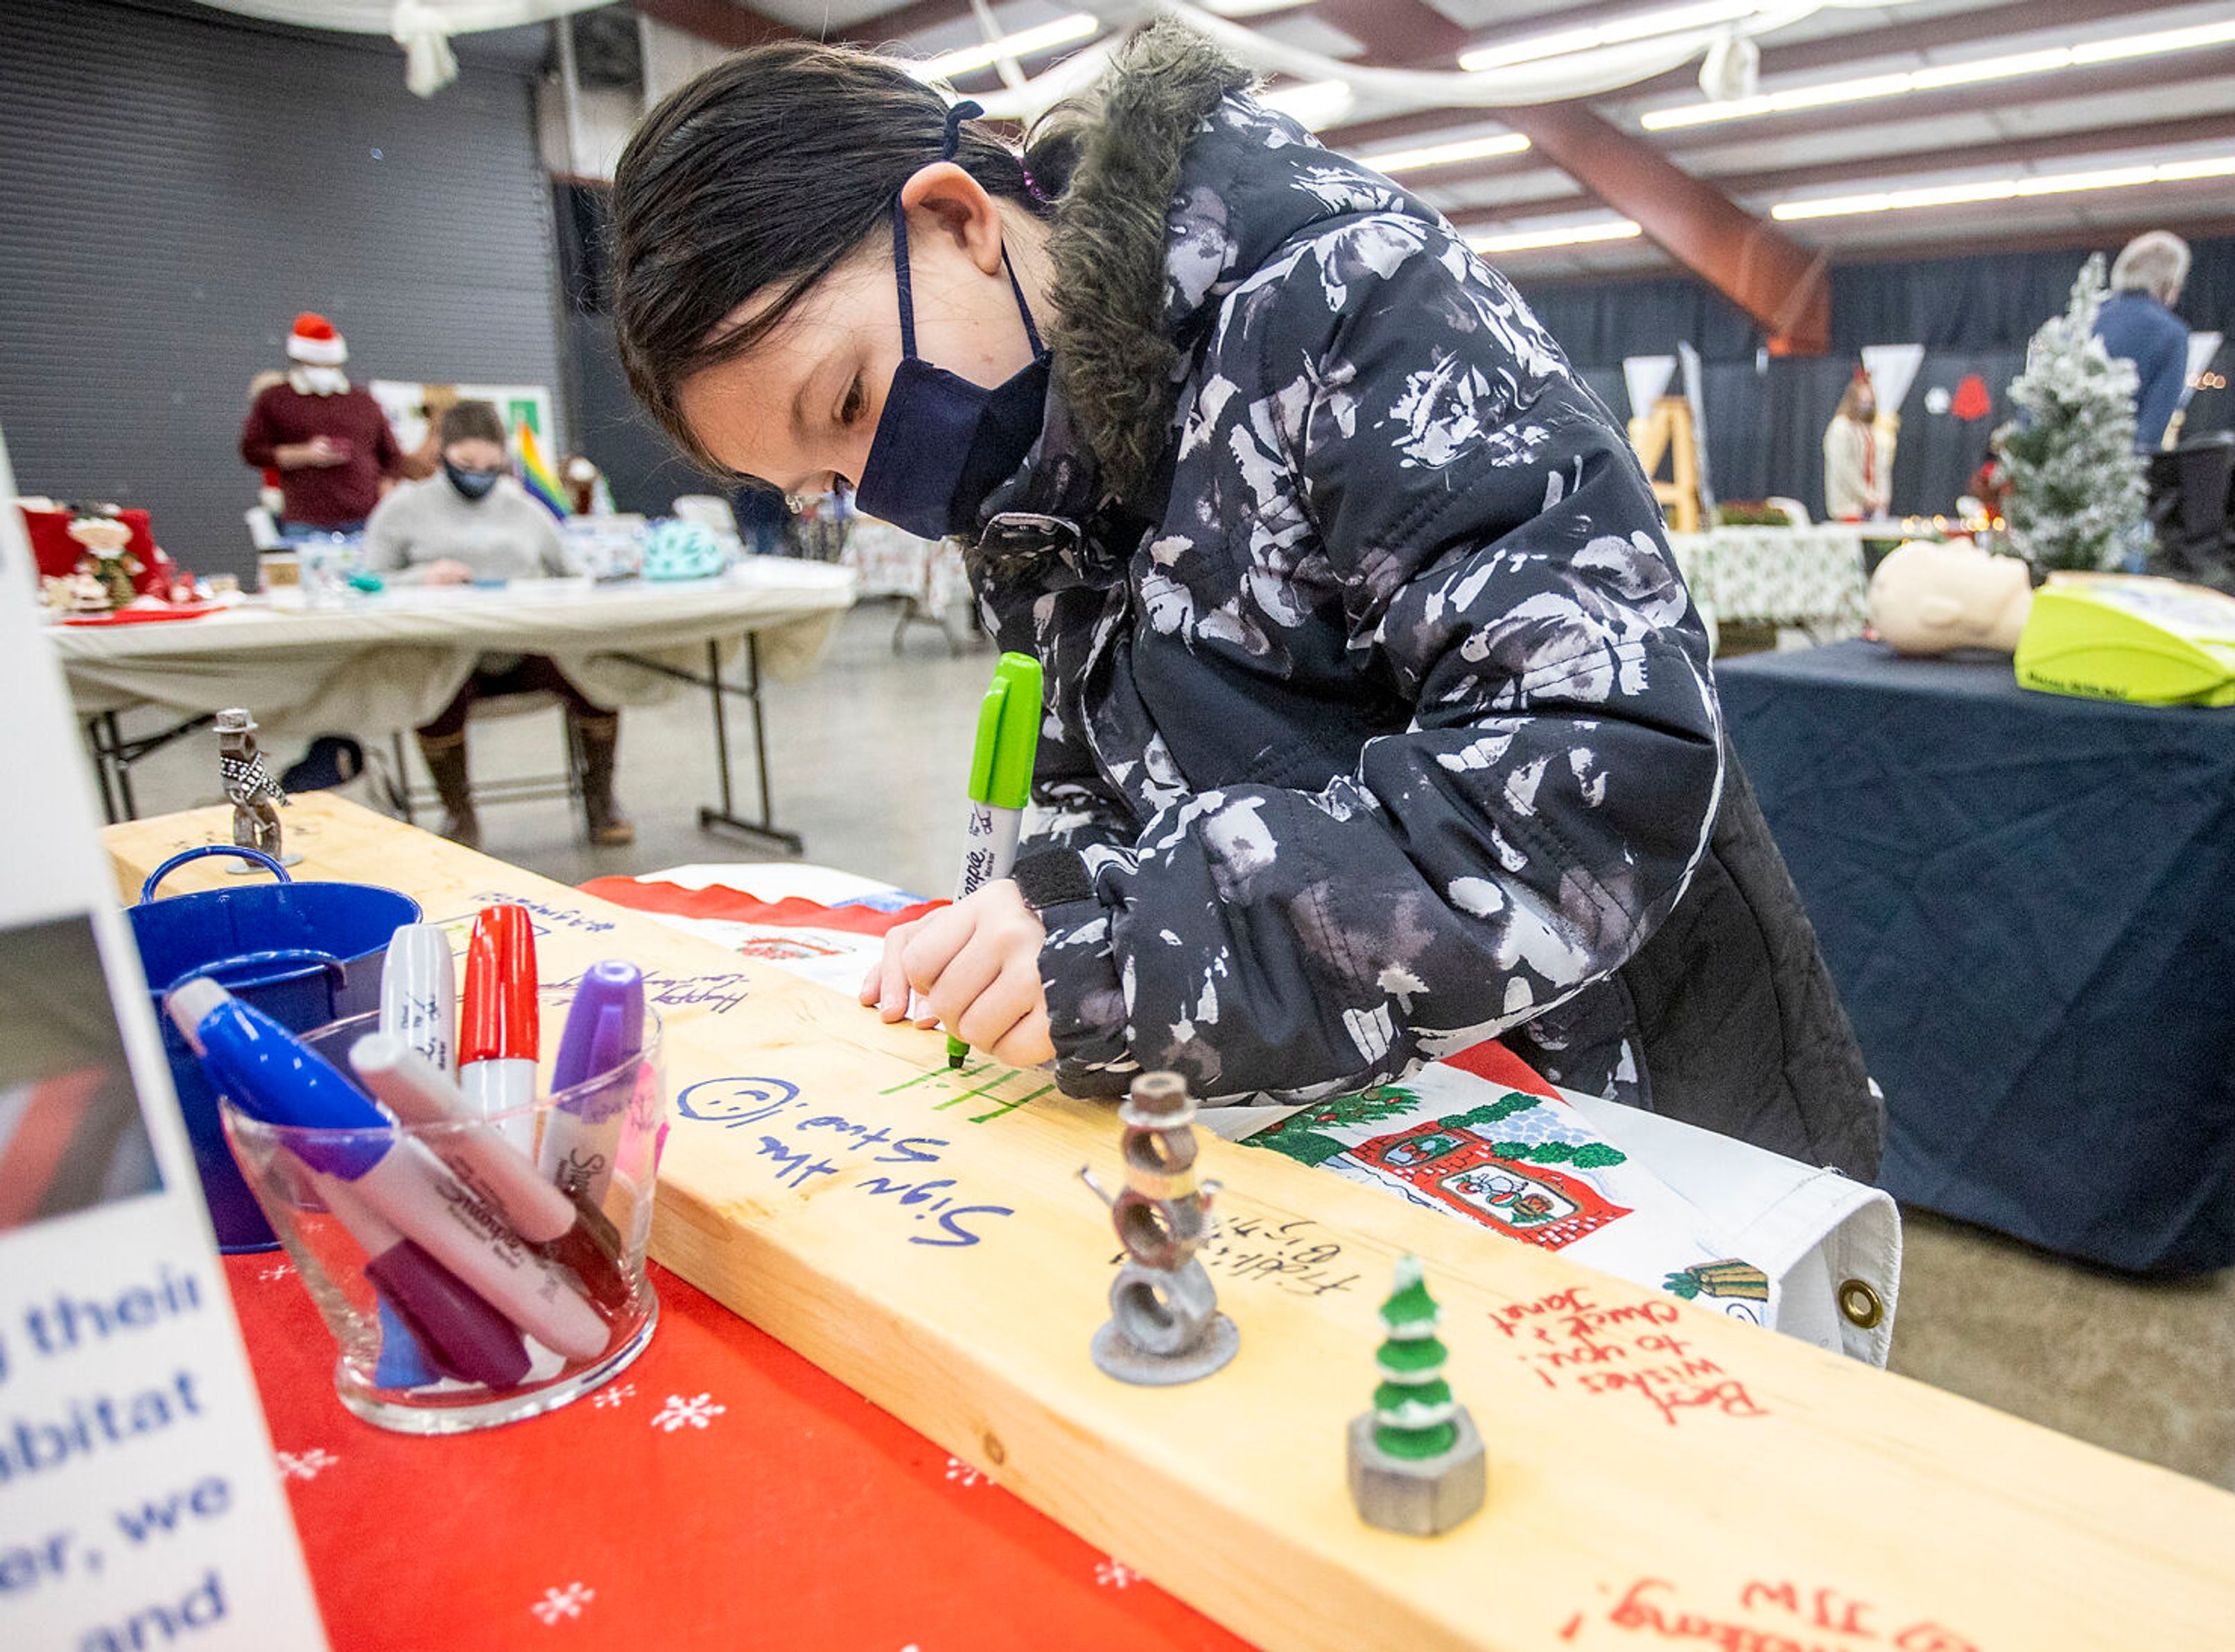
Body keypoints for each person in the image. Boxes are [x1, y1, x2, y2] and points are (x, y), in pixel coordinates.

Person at [604, 28, 1883, 1174]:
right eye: (824, 481)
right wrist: (1039, 909)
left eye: (848, 403)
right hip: (1363, 1111)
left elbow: (1591, 763)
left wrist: (1126, 958)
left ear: (955, 219)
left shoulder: (1344, 298)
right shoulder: (1026, 475)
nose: (881, 486)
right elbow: (1095, 790)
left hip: (1630, 1103)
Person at [363, 400, 636, 851]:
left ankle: (601, 800)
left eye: (492, 465)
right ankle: (458, 812)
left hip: (526, 647)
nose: (480, 474)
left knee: (598, 673)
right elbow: (365, 582)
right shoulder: (404, 509)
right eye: (467, 464)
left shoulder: (525, 508)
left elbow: (573, 572)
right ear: (442, 454)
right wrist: (420, 578)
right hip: (448, 653)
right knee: (429, 690)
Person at [237, 313, 406, 538]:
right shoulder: (276, 399)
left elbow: (392, 457)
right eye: (316, 364)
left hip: (364, 521)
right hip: (306, 522)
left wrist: (386, 496)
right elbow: (252, 450)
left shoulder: (363, 402)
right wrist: (304, 454)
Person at [2094, 231, 2192, 452]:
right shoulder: (2172, 334)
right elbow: (2150, 433)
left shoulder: (2080, 321)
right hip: (2116, 471)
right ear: (2171, 281)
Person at [1823, 373, 1888, 520]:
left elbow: (1880, 466)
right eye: (1863, 402)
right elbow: (1844, 469)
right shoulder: (1841, 428)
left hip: (1873, 508)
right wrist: (1866, 496)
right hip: (1848, 507)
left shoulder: (1870, 430)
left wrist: (1881, 496)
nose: (1867, 407)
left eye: (1871, 403)